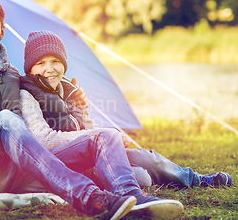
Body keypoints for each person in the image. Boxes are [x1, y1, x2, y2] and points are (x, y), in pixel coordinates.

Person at [0, 0, 183, 220]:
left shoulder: (12, 73)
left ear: (2, 31)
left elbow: (42, 96)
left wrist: (72, 101)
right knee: (4, 120)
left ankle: (132, 196)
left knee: (105, 136)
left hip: (18, 168)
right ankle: (90, 198)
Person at [19, 30, 232, 190]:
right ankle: (122, 181)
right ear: (30, 68)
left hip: (94, 150)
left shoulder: (69, 90)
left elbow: (88, 124)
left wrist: (108, 135)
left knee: (149, 159)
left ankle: (195, 178)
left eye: (56, 61)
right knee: (142, 179)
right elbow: (43, 139)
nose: (50, 69)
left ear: (64, 64)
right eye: (41, 63)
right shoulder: (27, 95)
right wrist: (102, 137)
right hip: (64, 162)